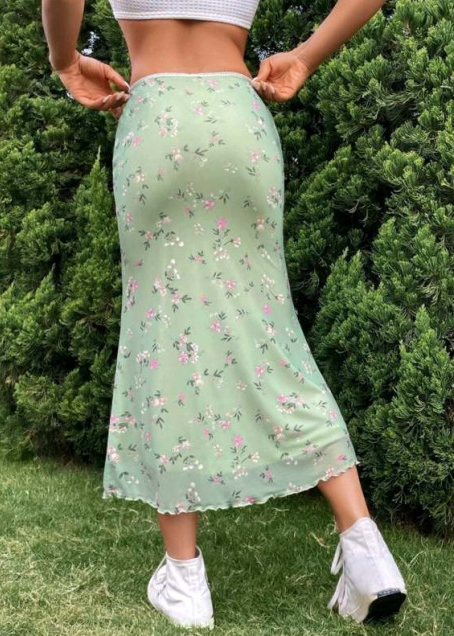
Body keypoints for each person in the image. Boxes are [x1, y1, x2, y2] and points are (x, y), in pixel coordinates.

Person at [42, 0, 407, 630]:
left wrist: (65, 60)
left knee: (163, 334)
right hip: (239, 118)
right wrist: (305, 58)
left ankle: (185, 579)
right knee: (272, 333)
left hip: (156, 119)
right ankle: (364, 544)